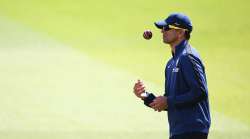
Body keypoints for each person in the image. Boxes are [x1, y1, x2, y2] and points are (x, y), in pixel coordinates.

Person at [133, 13, 211, 139]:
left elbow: (200, 92)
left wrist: (168, 101)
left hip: (192, 130)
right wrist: (145, 96)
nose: (162, 31)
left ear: (181, 32)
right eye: (162, 28)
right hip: (178, 131)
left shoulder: (188, 57)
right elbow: (170, 101)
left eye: (167, 28)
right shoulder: (171, 63)